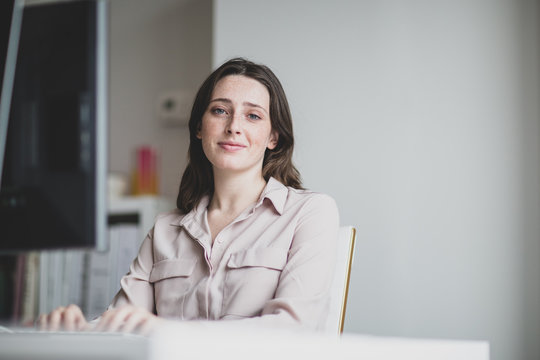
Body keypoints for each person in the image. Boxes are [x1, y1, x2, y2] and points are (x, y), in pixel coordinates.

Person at [37, 58, 339, 334]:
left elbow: (293, 330)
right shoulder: (164, 231)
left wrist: (171, 333)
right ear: (199, 127)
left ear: (274, 136)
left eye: (253, 116)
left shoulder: (310, 213)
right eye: (220, 111)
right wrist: (73, 329)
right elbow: (121, 325)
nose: (234, 126)